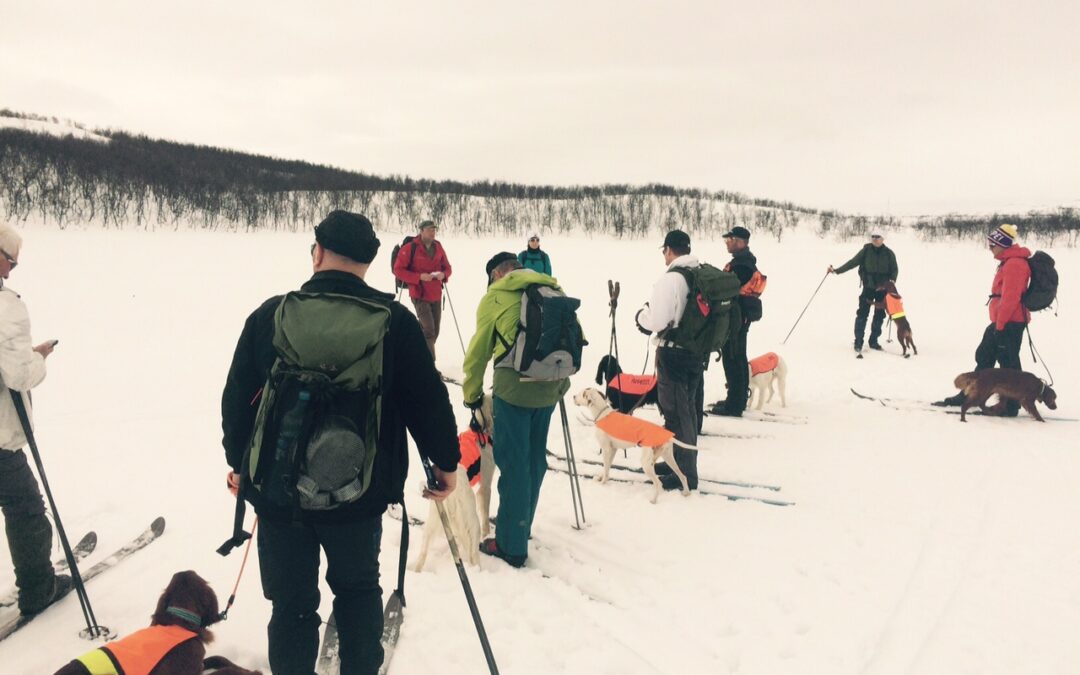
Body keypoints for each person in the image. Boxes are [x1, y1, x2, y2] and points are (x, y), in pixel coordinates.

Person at [221, 210, 459, 675]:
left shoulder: (272, 314)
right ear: (370, 262)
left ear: (317, 253)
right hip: (359, 494)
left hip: (278, 494)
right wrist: (446, 464)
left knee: (291, 606)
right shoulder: (395, 321)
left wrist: (240, 464)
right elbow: (428, 402)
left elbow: (237, 400)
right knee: (356, 592)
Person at [461, 252, 570, 568]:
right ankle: (522, 523)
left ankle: (511, 544)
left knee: (513, 464)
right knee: (535, 460)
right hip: (550, 388)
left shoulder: (496, 297)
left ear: (496, 273)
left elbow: (478, 353)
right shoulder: (553, 289)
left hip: (514, 390)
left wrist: (472, 396)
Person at [0, 223, 70, 617]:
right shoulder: (5, 306)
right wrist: (38, 357)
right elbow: (17, 376)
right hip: (0, 440)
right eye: (10, 262)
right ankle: (38, 588)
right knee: (26, 507)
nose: (10, 272)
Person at [634, 230, 706, 491]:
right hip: (694, 352)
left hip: (673, 353)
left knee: (676, 413)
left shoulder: (671, 280)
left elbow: (658, 321)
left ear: (668, 250)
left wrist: (641, 316)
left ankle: (685, 474)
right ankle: (678, 460)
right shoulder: (698, 272)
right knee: (687, 409)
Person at [935, 224, 1030, 415]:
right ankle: (969, 394)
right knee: (984, 357)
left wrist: (1001, 325)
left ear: (1003, 244)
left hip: (1010, 323)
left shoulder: (1015, 264)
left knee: (1008, 366)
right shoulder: (1008, 261)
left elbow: (1011, 298)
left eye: (993, 244)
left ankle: (1010, 406)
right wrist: (998, 323)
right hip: (1002, 322)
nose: (990, 247)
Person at [710, 226, 760, 417]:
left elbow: (728, 289)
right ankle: (737, 398)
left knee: (733, 357)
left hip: (736, 317)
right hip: (740, 316)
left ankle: (734, 403)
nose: (727, 243)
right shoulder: (743, 262)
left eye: (729, 240)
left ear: (740, 242)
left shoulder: (742, 265)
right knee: (736, 356)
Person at [392, 219, 452, 360]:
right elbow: (398, 270)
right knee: (429, 330)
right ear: (421, 231)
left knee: (434, 331)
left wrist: (443, 274)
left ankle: (415, 352)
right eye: (430, 229)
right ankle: (429, 365)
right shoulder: (410, 248)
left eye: (434, 229)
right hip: (419, 294)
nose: (433, 232)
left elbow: (447, 267)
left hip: (436, 293)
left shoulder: (438, 246)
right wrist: (419, 277)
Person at [828, 233, 898, 353]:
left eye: (878, 237)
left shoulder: (889, 253)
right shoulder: (865, 251)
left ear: (882, 239)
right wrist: (837, 271)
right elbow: (852, 263)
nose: (875, 240)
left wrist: (892, 280)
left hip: (882, 289)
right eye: (873, 237)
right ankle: (858, 341)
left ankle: (873, 341)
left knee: (880, 315)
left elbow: (894, 269)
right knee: (862, 314)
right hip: (868, 287)